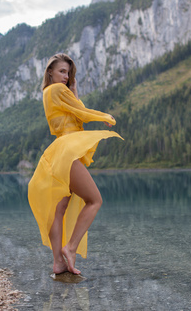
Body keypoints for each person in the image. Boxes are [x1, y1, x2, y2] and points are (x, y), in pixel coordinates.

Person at [28, 53, 123, 275]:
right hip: (67, 151)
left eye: (68, 73)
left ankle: (58, 262)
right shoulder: (58, 90)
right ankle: (70, 248)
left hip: (60, 149)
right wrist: (105, 117)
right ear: (49, 71)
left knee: (59, 210)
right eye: (62, 71)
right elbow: (82, 112)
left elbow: (75, 111)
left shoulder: (48, 93)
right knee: (95, 200)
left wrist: (74, 90)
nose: (66, 76)